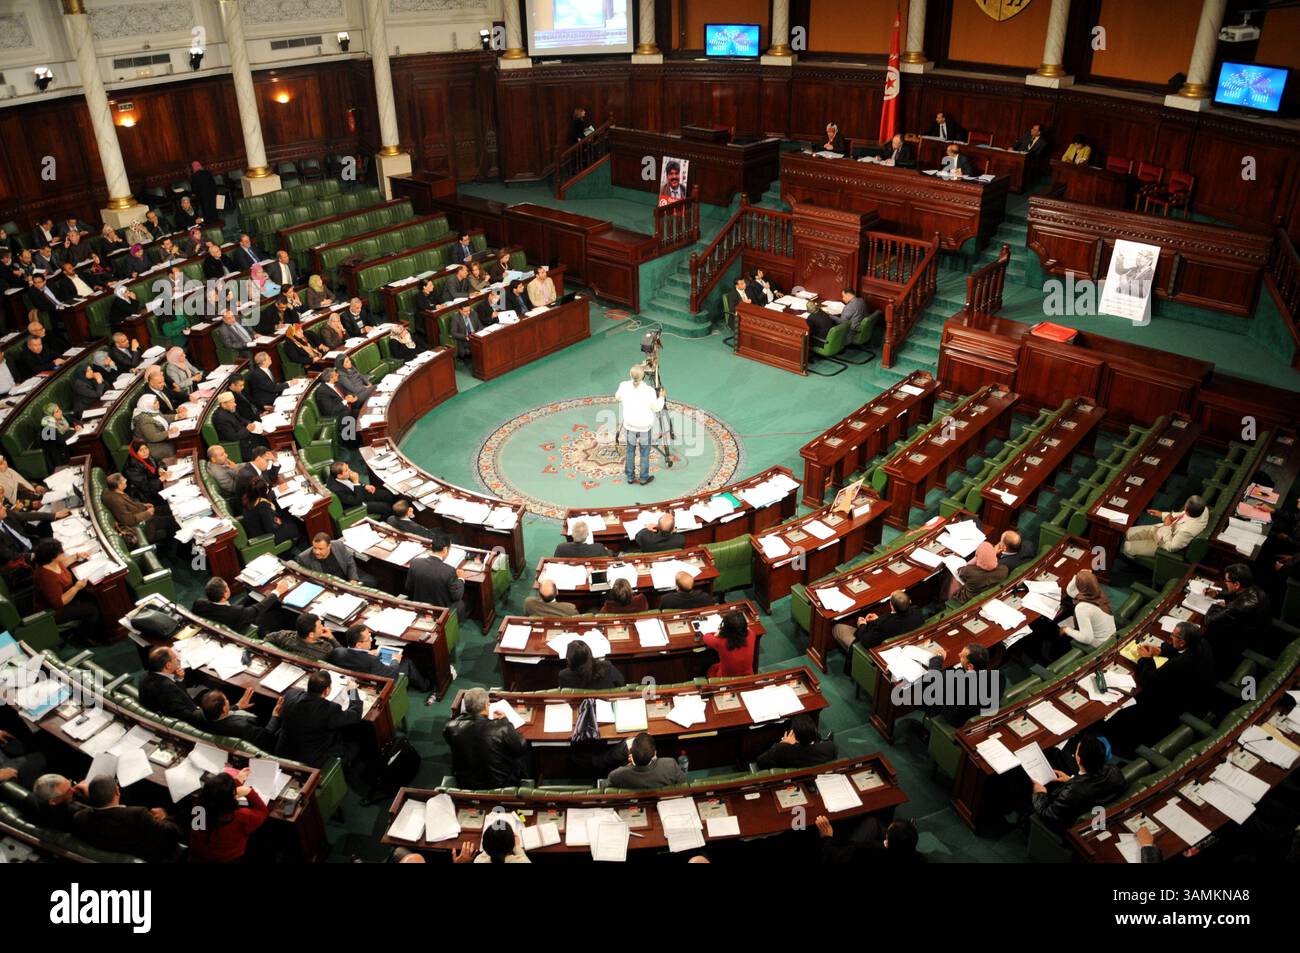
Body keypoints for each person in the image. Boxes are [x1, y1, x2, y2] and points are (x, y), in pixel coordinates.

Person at [1109, 622, 1217, 755]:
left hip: (1175, 705)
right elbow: (1180, 651)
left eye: (1173, 635)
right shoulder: (1202, 643)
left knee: (1122, 716)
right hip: (1197, 694)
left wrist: (1145, 659)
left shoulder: (1180, 664)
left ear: (1182, 642)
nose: (1170, 637)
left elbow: (1149, 679)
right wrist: (1160, 651)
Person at [1030, 734, 1126, 831]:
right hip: (1099, 813)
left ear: (1078, 759)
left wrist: (1039, 793)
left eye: (1076, 749)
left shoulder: (1073, 791)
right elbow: (1092, 786)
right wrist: (1071, 780)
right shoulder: (1114, 771)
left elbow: (1048, 815)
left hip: (1067, 827)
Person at [72, 777, 181, 862]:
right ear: (117, 791)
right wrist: (164, 817)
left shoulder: (79, 818)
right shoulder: (138, 815)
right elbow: (172, 833)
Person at [276, 670, 363, 770]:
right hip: (312, 760)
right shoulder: (330, 710)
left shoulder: (290, 695)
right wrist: (352, 691)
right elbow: (355, 715)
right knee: (354, 746)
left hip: (284, 751)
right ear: (327, 690)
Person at [443, 687, 528, 789]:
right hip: (501, 786)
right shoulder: (502, 727)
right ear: (487, 705)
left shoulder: (450, 727)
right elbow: (520, 747)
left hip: (467, 786)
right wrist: (505, 721)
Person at [1026, 569, 1116, 663]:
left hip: (1099, 644)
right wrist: (1077, 575)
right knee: (1064, 617)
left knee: (1054, 629)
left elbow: (1087, 638)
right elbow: (1070, 592)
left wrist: (1066, 630)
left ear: (1080, 586)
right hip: (1110, 637)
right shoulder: (1098, 593)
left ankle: (1052, 657)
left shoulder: (1082, 608)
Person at [1203, 563, 1271, 679]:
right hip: (1258, 629)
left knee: (1206, 634)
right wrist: (1218, 594)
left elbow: (1209, 620)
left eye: (1226, 581)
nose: (1225, 583)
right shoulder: (1256, 589)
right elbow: (1239, 595)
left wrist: (1216, 606)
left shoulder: (1238, 606)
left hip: (1242, 640)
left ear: (1237, 584)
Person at [188, 769, 269, 863]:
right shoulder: (241, 817)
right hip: (228, 859)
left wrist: (236, 783)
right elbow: (262, 812)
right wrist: (249, 792)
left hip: (198, 856)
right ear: (233, 797)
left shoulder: (198, 807)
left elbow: (215, 795)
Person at [330, 622, 431, 693]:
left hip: (356, 680)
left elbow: (354, 656)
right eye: (368, 638)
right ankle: (425, 686)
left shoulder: (337, 652)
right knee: (406, 661)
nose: (371, 639)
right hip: (377, 685)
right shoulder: (372, 661)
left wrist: (367, 652)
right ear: (358, 645)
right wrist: (395, 660)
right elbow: (392, 674)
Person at [31, 538, 100, 642]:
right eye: (61, 552)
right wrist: (76, 588)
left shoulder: (51, 563)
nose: (64, 553)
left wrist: (76, 556)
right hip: (53, 611)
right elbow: (59, 602)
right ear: (53, 557)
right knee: (92, 609)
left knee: (93, 596)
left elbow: (62, 565)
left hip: (66, 596)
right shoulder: (46, 577)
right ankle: (82, 637)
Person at [831, 590, 924, 659]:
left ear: (891, 605)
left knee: (838, 628)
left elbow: (866, 641)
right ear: (910, 602)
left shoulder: (884, 624)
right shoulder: (918, 613)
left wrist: (861, 625)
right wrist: (878, 620)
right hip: (903, 644)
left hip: (878, 650)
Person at [615, 365, 665, 488]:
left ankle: (630, 476)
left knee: (630, 450)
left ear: (630, 375)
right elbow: (657, 407)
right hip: (644, 427)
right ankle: (643, 478)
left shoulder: (623, 385)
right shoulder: (649, 391)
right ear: (643, 376)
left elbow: (617, 397)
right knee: (644, 452)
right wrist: (662, 396)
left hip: (629, 425)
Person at [923, 643, 993, 727]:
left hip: (955, 719)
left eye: (962, 656)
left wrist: (938, 658)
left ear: (970, 666)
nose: (959, 654)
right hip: (975, 713)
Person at [1121, 495, 1208, 560]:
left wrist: (1166, 526)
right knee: (1128, 532)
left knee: (1126, 547)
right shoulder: (1203, 509)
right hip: (1159, 530)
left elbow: (1171, 547)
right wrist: (1161, 514)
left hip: (1160, 544)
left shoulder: (1187, 531)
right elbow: (1181, 515)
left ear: (1187, 510)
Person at [404, 530, 466, 617]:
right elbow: (457, 596)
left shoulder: (415, 562)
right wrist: (461, 578)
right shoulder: (449, 571)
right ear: (445, 549)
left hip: (419, 606)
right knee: (461, 604)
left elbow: (408, 587)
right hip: (438, 612)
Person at [193, 575, 291, 631]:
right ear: (225, 595)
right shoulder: (236, 613)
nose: (228, 588)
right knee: (278, 614)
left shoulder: (199, 604)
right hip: (241, 627)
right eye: (227, 587)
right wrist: (277, 591)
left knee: (248, 599)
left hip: (224, 619)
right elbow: (257, 609)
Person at [815, 815, 924, 864]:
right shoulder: (920, 859)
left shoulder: (866, 849)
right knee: (873, 823)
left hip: (847, 854)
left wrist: (826, 837)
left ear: (886, 843)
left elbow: (835, 858)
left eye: (887, 835)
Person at [139, 646, 205, 725]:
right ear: (168, 665)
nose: (177, 659)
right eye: (175, 658)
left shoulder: (145, 675)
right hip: (186, 717)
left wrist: (178, 679)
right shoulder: (168, 688)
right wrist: (200, 712)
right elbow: (183, 710)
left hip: (160, 708)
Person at [102, 471, 170, 544]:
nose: (126, 480)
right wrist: (148, 513)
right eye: (123, 480)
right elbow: (128, 520)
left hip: (142, 512)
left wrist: (143, 505)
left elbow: (130, 504)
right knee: (172, 520)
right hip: (143, 524)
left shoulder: (116, 491)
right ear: (118, 485)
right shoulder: (116, 501)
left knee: (169, 508)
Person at [607, 732, 687, 790]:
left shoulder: (616, 775)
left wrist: (628, 767)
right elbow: (684, 784)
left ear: (630, 751)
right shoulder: (670, 764)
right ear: (654, 753)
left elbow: (609, 790)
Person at [755, 714, 836, 769]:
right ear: (814, 731)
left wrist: (784, 743)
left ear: (794, 734)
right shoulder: (829, 748)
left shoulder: (780, 749)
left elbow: (760, 763)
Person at [243, 476, 305, 548]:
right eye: (267, 488)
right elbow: (271, 529)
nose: (268, 489)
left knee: (286, 516)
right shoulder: (262, 506)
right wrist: (279, 522)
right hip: (266, 537)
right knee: (294, 526)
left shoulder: (248, 499)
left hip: (257, 530)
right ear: (263, 492)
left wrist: (275, 519)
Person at [297, 532, 374, 586]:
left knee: (372, 581)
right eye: (314, 548)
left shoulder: (338, 545)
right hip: (328, 586)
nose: (317, 552)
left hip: (346, 580)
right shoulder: (304, 558)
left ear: (329, 546)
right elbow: (310, 581)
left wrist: (353, 579)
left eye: (321, 549)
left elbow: (350, 563)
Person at [214, 390, 270, 460]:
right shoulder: (221, 418)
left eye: (234, 401)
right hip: (242, 444)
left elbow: (241, 419)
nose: (235, 404)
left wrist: (249, 423)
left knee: (266, 435)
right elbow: (232, 437)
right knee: (264, 441)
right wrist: (247, 430)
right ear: (223, 404)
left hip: (246, 435)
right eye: (232, 402)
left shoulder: (230, 409)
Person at [267, 612, 341, 662]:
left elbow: (266, 639)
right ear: (311, 635)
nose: (323, 627)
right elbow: (342, 657)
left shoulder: (283, 636)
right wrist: (331, 638)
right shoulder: (326, 650)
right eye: (320, 626)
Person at [702, 609, 755, 677]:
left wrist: (718, 632)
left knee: (711, 668)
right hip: (748, 675)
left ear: (726, 628)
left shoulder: (720, 642)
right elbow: (748, 630)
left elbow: (706, 637)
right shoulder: (752, 634)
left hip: (726, 678)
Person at [558, 640, 624, 689]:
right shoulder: (607, 667)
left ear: (570, 660)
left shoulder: (564, 675)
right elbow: (621, 683)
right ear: (589, 653)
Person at [124, 439, 169, 506]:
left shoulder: (146, 457)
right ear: (135, 452)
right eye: (141, 450)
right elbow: (146, 488)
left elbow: (159, 461)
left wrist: (160, 468)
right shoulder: (132, 467)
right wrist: (161, 479)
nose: (145, 452)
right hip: (145, 497)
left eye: (146, 448)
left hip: (155, 487)